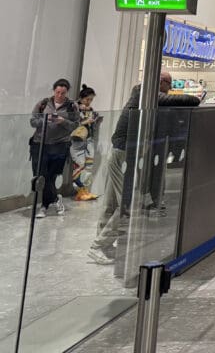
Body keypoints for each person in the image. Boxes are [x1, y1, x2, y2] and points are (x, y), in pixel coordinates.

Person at [89, 72, 199, 264]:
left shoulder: (145, 95)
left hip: (125, 153)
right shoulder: (143, 92)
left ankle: (104, 245)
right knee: (129, 202)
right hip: (124, 154)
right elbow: (174, 100)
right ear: (160, 83)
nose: (170, 87)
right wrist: (195, 99)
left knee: (113, 203)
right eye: (169, 84)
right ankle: (98, 245)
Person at [30, 78, 81, 218]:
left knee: (51, 177)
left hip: (59, 145)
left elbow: (76, 125)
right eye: (58, 92)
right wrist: (45, 120)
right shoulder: (43, 103)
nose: (60, 95)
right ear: (54, 91)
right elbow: (33, 121)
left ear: (67, 92)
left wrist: (63, 121)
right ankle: (55, 199)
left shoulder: (72, 106)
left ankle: (44, 206)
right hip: (40, 143)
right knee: (41, 175)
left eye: (63, 93)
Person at [71, 85, 102, 201]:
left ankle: (85, 190)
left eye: (91, 100)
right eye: (87, 99)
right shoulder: (74, 107)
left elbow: (91, 122)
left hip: (89, 139)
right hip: (77, 140)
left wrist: (95, 119)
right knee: (79, 165)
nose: (89, 102)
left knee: (89, 165)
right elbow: (71, 123)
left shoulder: (90, 109)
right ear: (81, 97)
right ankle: (79, 191)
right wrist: (84, 120)